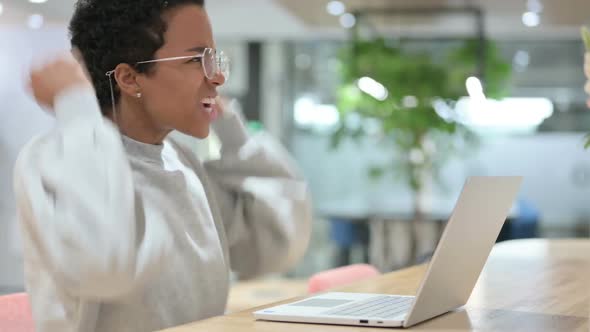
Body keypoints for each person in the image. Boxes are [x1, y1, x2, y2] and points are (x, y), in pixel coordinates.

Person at [14, 0, 312, 331]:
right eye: (197, 60)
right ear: (129, 79)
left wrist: (232, 131)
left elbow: (273, 246)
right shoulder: (53, 159)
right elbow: (104, 265)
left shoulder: (183, 162)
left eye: (214, 58)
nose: (218, 76)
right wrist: (76, 104)